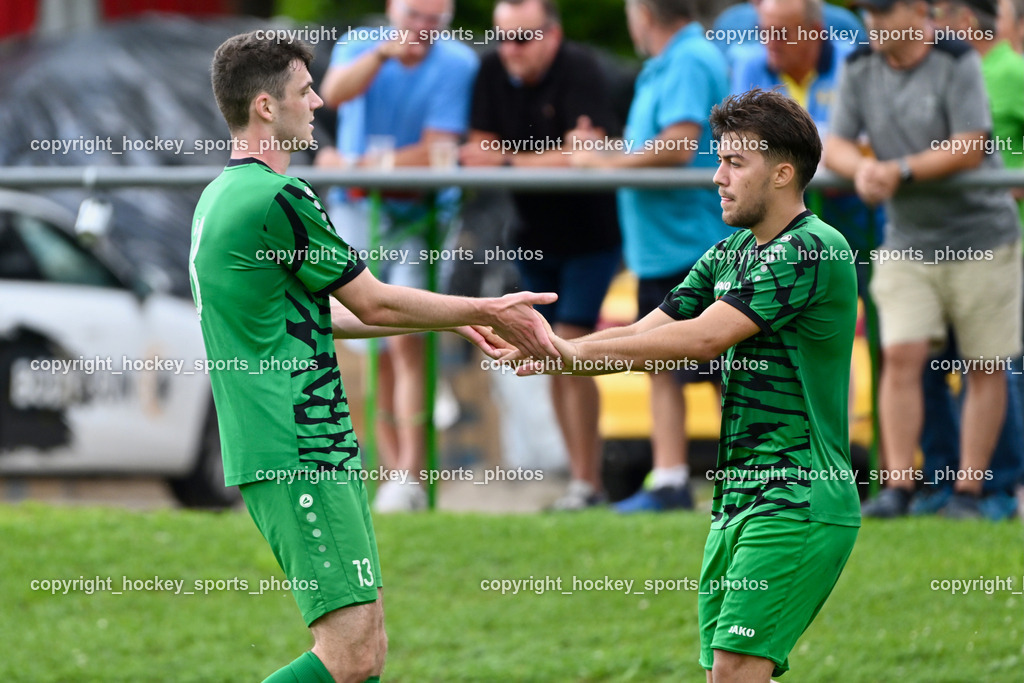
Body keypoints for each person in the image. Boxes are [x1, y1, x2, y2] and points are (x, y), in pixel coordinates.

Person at [190, 31, 554, 682]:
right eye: (305, 91)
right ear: (267, 107)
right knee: (350, 653)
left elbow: (318, 316)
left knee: (368, 647)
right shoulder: (279, 198)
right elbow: (375, 301)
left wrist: (455, 319)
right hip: (296, 445)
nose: (319, 102)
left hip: (304, 445)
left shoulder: (221, 196)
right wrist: (485, 307)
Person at [511, 88, 860, 683]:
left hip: (797, 497)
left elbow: (702, 339)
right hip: (737, 501)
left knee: (736, 669)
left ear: (782, 174)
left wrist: (567, 353)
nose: (717, 178)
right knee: (724, 673)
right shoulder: (729, 252)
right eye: (718, 161)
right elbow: (643, 335)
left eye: (734, 163)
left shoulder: (811, 248)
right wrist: (549, 350)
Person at [824, 0, 1023, 518]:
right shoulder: (859, 63)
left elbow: (970, 144)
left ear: (918, 10)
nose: (873, 22)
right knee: (901, 357)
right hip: (907, 240)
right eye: (868, 12)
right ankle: (898, 488)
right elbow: (836, 142)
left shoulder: (958, 60)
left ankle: (971, 492)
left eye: (883, 11)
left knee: (985, 364)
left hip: (983, 237)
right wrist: (862, 171)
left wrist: (899, 171)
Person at [570, 0, 733, 512]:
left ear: (643, 14)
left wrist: (605, 165)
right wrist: (605, 151)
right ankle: (669, 482)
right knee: (661, 364)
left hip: (695, 244)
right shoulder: (665, 63)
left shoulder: (690, 58)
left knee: (724, 369)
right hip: (661, 249)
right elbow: (653, 144)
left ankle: (750, 480)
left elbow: (680, 144)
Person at [317, 0, 479, 512]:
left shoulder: (458, 62)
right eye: (414, 17)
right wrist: (383, 55)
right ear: (393, 11)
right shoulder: (359, 45)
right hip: (358, 209)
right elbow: (332, 95)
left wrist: (359, 165)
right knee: (372, 342)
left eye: (435, 21)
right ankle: (394, 476)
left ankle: (411, 473)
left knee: (407, 337)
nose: (423, 30)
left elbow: (437, 151)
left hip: (420, 213)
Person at [460, 0, 622, 509]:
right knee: (550, 351)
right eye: (503, 37)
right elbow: (476, 153)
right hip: (532, 236)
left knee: (570, 345)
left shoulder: (582, 69)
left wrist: (510, 158)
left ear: (552, 35)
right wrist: (543, 157)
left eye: (523, 38)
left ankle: (589, 482)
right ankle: (581, 481)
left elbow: (587, 154)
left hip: (591, 236)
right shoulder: (492, 70)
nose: (511, 50)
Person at [913, 0, 1024, 520]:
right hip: (935, 243)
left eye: (937, 14)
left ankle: (996, 486)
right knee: (928, 363)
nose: (927, 25)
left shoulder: (1011, 71)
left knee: (992, 364)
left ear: (962, 21)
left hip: (1000, 245)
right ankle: (942, 482)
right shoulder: (938, 77)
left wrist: (1006, 182)